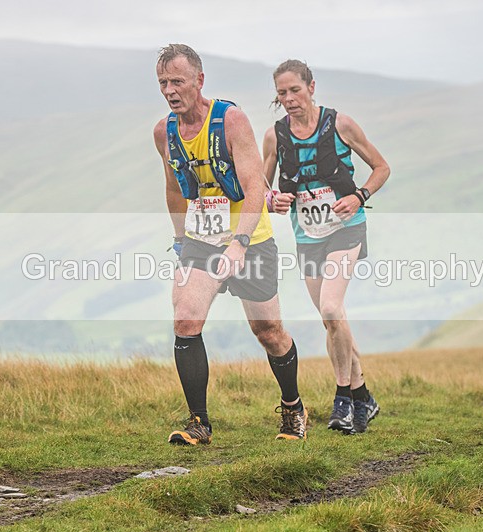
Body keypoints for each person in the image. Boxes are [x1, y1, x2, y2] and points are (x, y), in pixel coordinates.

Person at [153, 44, 308, 445]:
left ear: (199, 81)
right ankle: (198, 423)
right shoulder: (164, 132)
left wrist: (239, 243)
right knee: (186, 320)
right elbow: (173, 188)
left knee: (268, 330)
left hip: (250, 238)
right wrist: (178, 241)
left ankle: (292, 407)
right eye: (163, 83)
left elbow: (255, 186)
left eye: (178, 81)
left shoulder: (230, 121)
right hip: (201, 240)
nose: (170, 90)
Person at [263, 59, 390, 434]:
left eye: (295, 90)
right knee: (333, 319)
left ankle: (343, 400)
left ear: (311, 87)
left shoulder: (341, 124)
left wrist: (360, 195)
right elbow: (262, 187)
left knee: (332, 307)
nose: (289, 99)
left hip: (346, 228)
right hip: (307, 236)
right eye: (282, 93)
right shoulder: (274, 136)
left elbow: (382, 167)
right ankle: (364, 395)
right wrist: (274, 200)